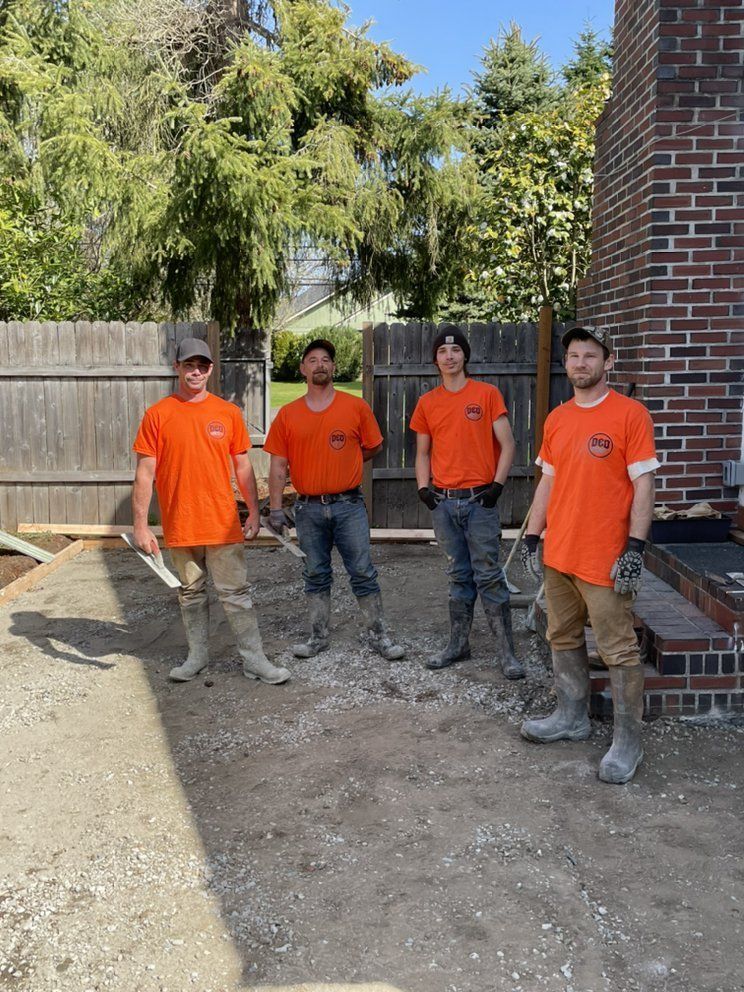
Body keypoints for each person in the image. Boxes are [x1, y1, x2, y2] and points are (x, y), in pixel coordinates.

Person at [519, 325, 659, 784]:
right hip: (560, 554)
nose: (580, 363)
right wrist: (532, 537)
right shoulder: (558, 418)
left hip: (605, 557)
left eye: (590, 355)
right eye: (573, 355)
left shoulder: (630, 415)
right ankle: (571, 716)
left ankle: (627, 742)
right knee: (562, 636)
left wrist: (635, 548)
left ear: (608, 362)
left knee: (618, 650)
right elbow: (549, 480)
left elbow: (644, 484)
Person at [131, 337, 290, 685]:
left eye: (202, 366)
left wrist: (253, 511)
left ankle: (255, 660)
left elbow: (243, 467)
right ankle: (197, 657)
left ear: (211, 370)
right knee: (189, 593)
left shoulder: (227, 413)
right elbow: (145, 472)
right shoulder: (158, 415)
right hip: (180, 522)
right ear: (177, 368)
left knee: (236, 594)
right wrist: (141, 526)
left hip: (220, 523)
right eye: (189, 365)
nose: (196, 372)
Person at [264, 338, 404, 661]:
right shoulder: (288, 415)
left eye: (326, 359)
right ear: (302, 369)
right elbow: (278, 466)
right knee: (314, 572)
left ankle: (379, 635)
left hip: (349, 505)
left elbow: (373, 446)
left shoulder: (355, 407)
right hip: (308, 509)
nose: (320, 365)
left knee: (363, 570)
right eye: (312, 360)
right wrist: (274, 508)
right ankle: (318, 637)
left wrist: (348, 463)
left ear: (334, 368)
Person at [410, 325, 524, 679]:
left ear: (464, 356)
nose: (449, 357)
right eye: (442, 353)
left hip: (480, 502)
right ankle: (458, 644)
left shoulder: (487, 394)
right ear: (435, 360)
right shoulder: (427, 403)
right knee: (458, 575)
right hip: (444, 504)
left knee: (489, 575)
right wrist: (424, 489)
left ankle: (507, 654)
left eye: (455, 351)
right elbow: (423, 453)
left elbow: (508, 444)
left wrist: (497, 486)